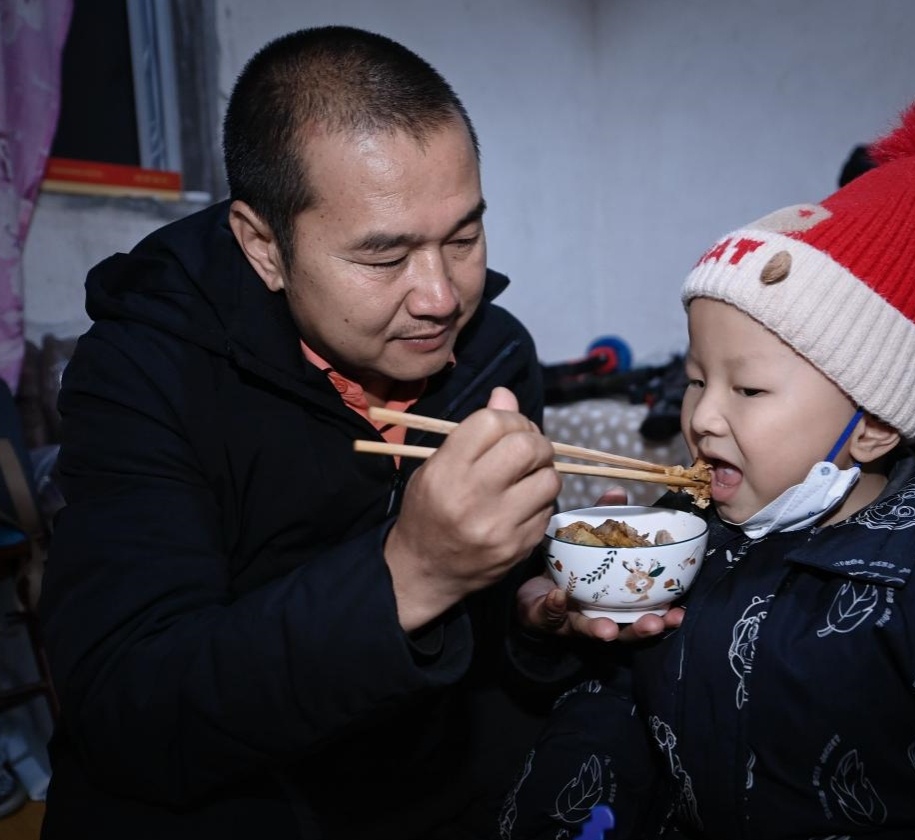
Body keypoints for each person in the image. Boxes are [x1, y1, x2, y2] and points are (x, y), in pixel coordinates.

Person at [500, 83, 915, 838]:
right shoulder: (685, 535)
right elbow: (609, 709)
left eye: (747, 388)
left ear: (873, 426)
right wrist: (572, 627)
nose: (701, 417)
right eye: (696, 380)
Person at [37, 25, 570, 839]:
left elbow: (489, 636)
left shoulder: (493, 354)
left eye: (463, 238)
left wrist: (534, 615)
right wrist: (411, 572)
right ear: (264, 247)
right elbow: (129, 708)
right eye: (385, 258)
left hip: (434, 785)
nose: (441, 297)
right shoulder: (146, 373)